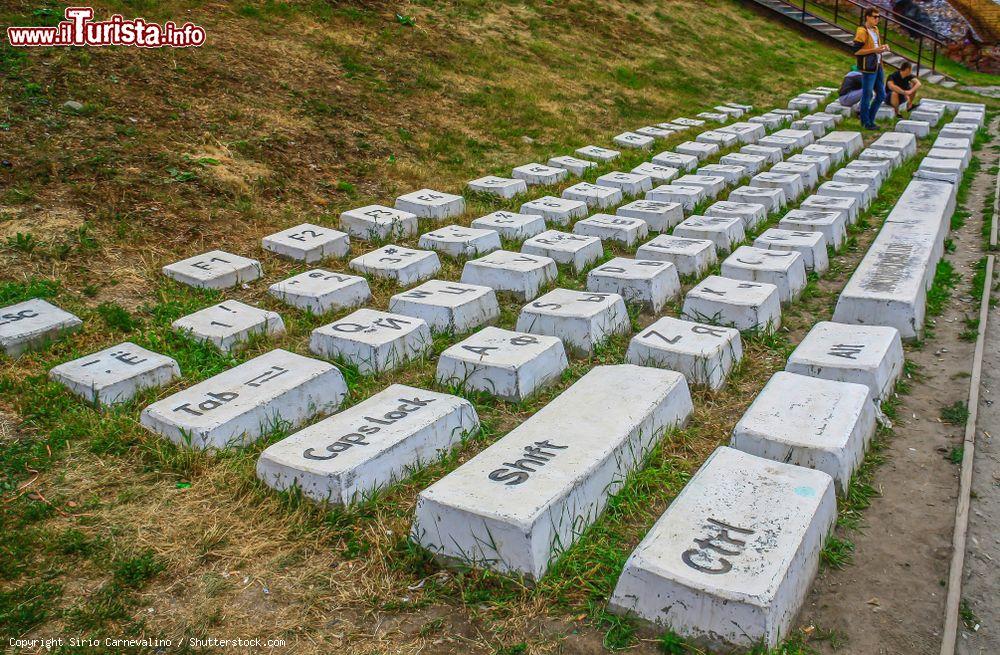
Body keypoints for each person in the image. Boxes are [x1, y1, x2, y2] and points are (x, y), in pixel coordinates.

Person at [852, 7, 891, 130]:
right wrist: (875, 50)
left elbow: (875, 46)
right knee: (867, 95)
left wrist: (883, 47)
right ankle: (866, 122)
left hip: (878, 65)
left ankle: (870, 119)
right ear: (867, 17)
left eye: (878, 17)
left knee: (881, 95)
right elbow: (856, 51)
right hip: (868, 68)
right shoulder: (861, 31)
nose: (877, 19)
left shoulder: (875, 29)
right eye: (875, 17)